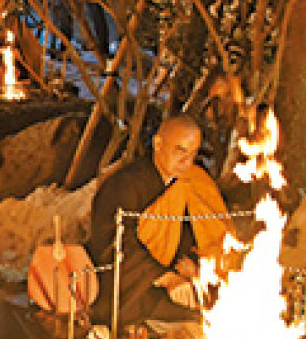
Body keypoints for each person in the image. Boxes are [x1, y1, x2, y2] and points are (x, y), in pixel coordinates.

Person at [85, 114, 231, 326]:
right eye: (180, 151)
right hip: (136, 287)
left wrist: (196, 267)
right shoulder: (125, 185)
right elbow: (115, 245)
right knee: (202, 317)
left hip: (184, 281)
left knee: (229, 304)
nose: (187, 162)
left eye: (193, 153)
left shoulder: (195, 181)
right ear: (158, 143)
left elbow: (208, 235)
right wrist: (168, 278)